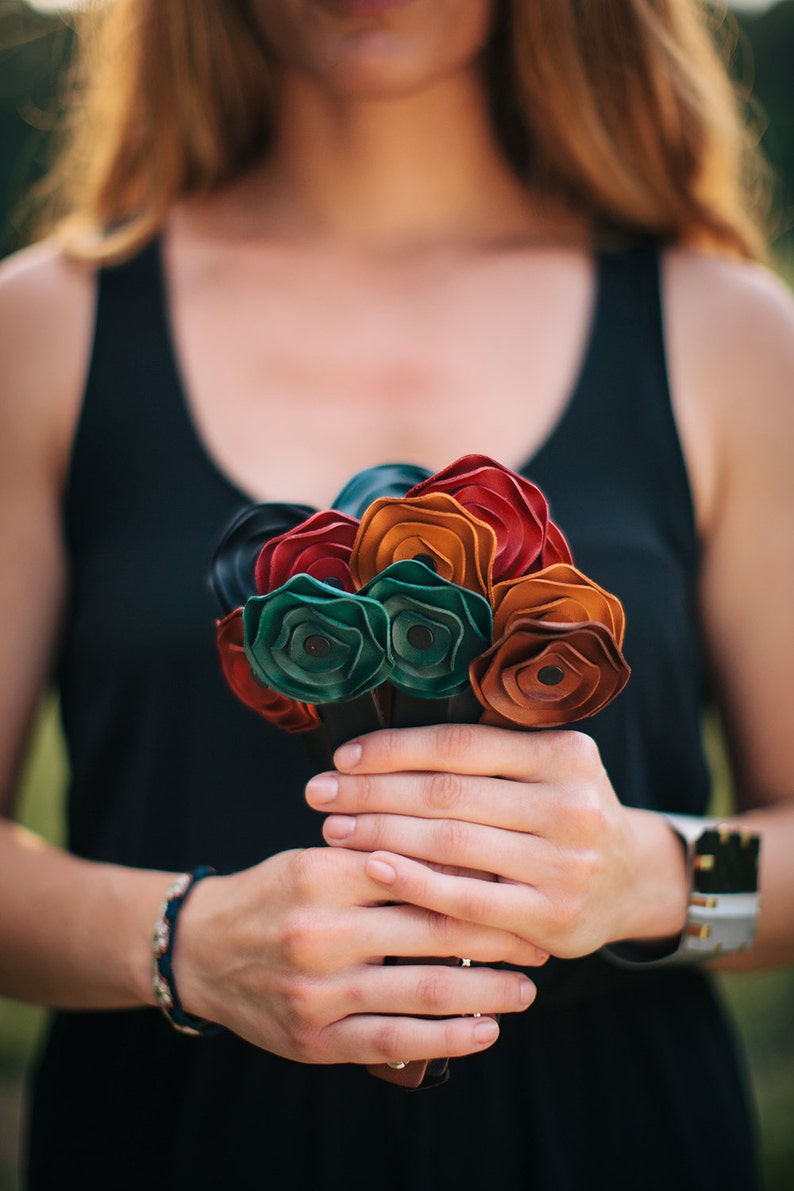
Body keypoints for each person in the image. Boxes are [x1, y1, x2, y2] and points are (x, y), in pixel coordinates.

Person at [0, 0, 792, 1187]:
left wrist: (656, 879)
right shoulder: (41, 333)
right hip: (168, 1143)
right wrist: (180, 945)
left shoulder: (727, 335)